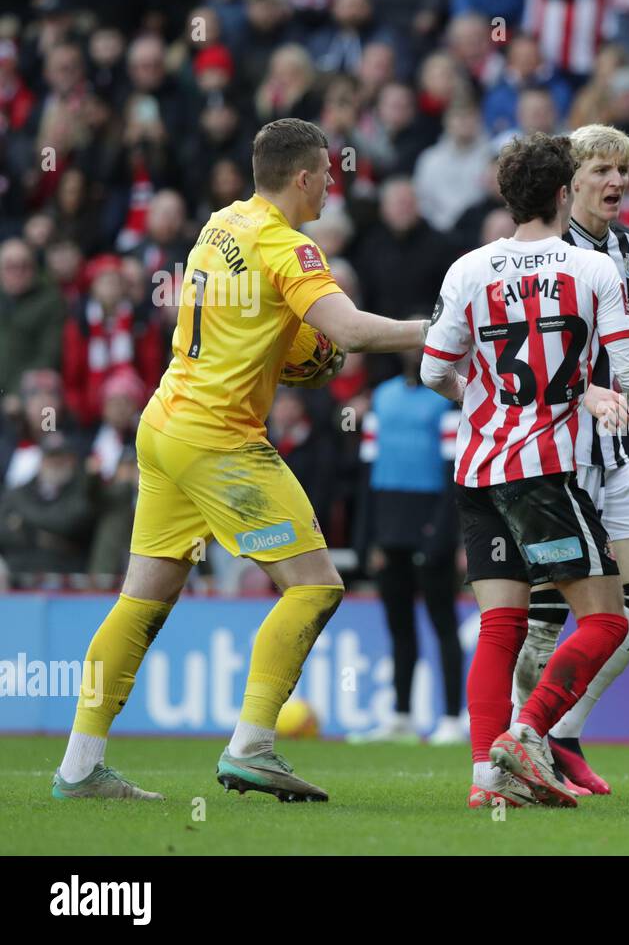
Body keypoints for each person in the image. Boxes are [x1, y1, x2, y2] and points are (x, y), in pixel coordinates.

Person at [51, 118, 429, 802]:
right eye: (328, 174)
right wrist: (436, 332)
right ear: (305, 177)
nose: (334, 184)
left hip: (164, 424)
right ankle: (253, 747)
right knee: (316, 585)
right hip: (219, 438)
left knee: (142, 602)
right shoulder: (292, 248)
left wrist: (293, 353)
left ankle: (79, 766)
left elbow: (243, 321)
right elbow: (347, 331)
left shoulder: (221, 225)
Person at [420, 132, 629, 809]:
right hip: (544, 472)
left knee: (501, 626)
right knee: (608, 620)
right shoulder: (590, 272)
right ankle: (529, 733)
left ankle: (484, 782)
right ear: (564, 194)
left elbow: (433, 369)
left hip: (477, 470)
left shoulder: (468, 268)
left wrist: (487, 400)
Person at [509, 124, 629, 795]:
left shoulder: (625, 245)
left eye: (623, 169)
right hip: (549, 450)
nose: (617, 181)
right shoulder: (545, 249)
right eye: (602, 170)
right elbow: (524, 354)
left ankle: (557, 731)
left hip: (606, 447)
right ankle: (519, 744)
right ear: (570, 180)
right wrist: (585, 392)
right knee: (547, 618)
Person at [351, 330, 465, 745]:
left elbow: (456, 472)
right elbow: (368, 470)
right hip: (390, 523)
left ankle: (452, 717)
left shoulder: (448, 399)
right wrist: (367, 537)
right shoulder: (381, 398)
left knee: (442, 622)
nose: (413, 351)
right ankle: (401, 715)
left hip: (430, 522)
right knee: (398, 625)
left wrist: (444, 532)